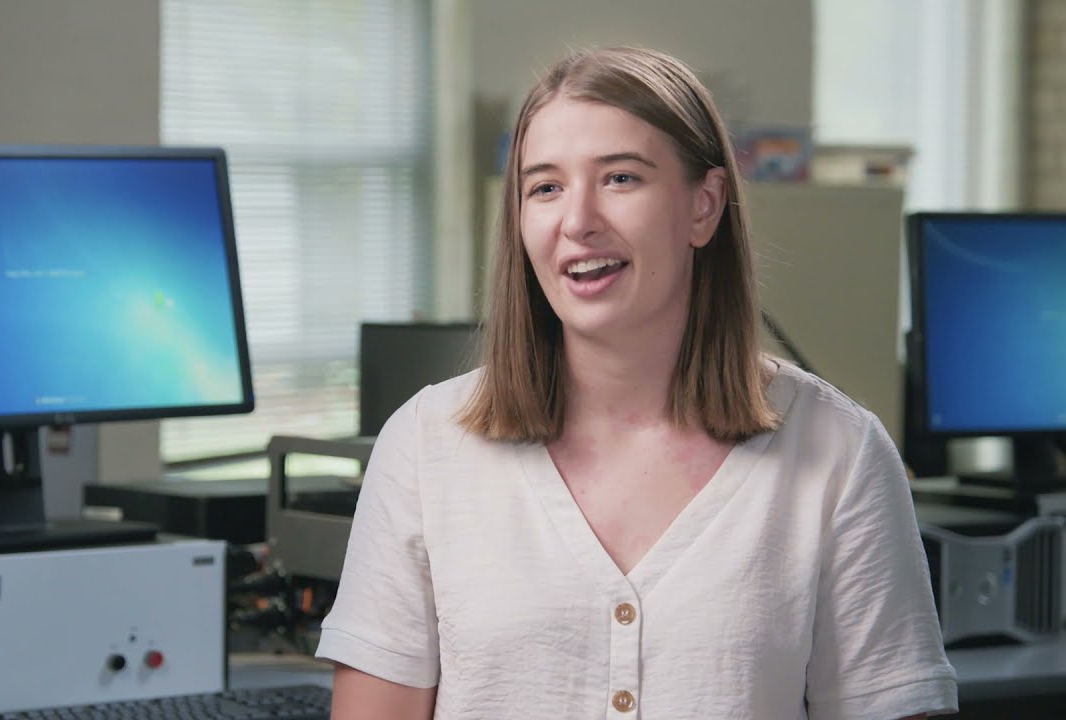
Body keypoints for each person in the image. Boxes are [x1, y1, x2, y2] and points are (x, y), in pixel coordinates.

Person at [315, 46, 957, 719]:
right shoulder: (425, 445)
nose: (577, 220)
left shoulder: (839, 450)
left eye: (620, 179)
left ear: (704, 207)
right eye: (545, 187)